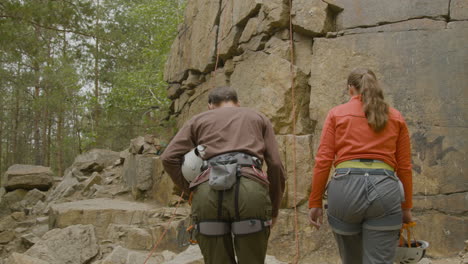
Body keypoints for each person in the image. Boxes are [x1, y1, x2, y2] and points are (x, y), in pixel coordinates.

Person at [161, 86, 286, 264]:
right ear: (238, 103)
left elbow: (168, 158)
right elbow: (275, 165)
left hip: (207, 191)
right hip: (250, 190)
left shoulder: (198, 120)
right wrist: (274, 209)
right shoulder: (258, 117)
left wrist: (191, 190)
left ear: (210, 105)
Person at [308, 68, 413, 264]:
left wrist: (315, 203)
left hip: (345, 191)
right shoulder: (396, 117)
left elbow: (323, 161)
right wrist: (406, 208)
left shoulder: (336, 114)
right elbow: (405, 167)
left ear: (350, 89)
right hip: (385, 190)